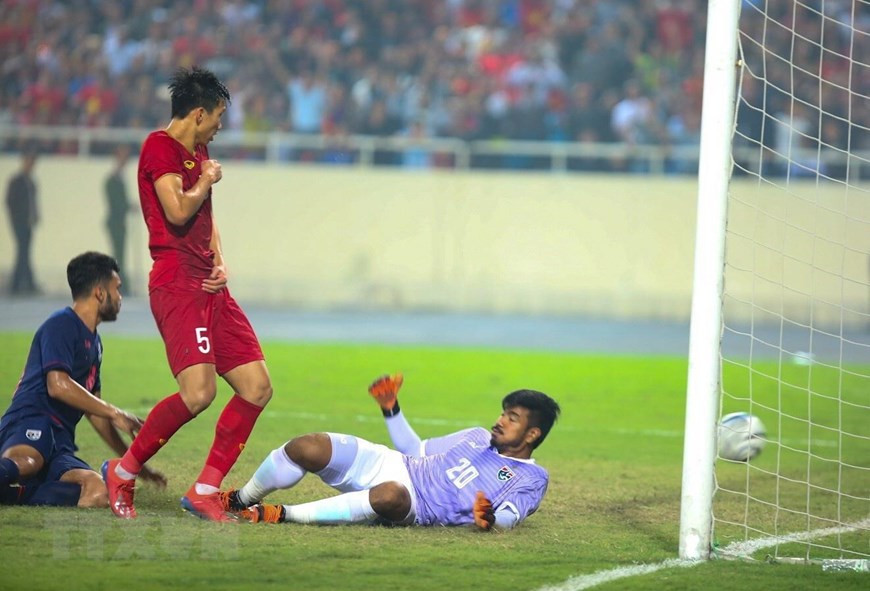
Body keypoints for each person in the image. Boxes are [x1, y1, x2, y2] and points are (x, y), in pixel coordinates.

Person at [103, 66, 273, 522]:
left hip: (209, 283)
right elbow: (178, 210)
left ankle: (204, 489)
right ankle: (123, 470)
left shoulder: (196, 150)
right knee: (198, 393)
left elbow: (205, 220)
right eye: (217, 118)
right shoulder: (159, 148)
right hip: (178, 282)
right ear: (198, 114)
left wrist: (219, 258)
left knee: (256, 388)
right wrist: (205, 181)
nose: (219, 128)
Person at [221, 374, 559, 530]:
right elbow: (415, 449)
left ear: (532, 434)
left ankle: (282, 515)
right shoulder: (475, 436)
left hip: (417, 505)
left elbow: (510, 517)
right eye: (503, 413)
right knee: (307, 446)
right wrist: (391, 408)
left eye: (511, 418)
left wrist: (489, 519)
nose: (500, 421)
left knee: (388, 495)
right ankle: (239, 498)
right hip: (396, 464)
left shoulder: (531, 477)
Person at [0, 252, 164, 508]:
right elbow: (58, 385)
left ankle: (10, 496)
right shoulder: (61, 325)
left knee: (97, 492)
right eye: (117, 289)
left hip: (60, 441)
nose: (120, 297)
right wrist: (114, 411)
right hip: (31, 420)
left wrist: (134, 465)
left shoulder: (95, 343)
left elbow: (94, 411)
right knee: (29, 463)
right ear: (100, 293)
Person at [5, 147, 40, 295]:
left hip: (28, 223)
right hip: (19, 222)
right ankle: (20, 283)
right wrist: (17, 218)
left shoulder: (31, 182)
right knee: (22, 251)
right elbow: (10, 201)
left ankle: (21, 282)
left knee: (25, 251)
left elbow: (33, 203)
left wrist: (35, 216)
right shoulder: (16, 181)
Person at [104, 144, 133, 292]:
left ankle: (119, 283)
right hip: (115, 222)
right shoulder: (113, 180)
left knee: (120, 252)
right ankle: (118, 284)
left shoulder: (119, 179)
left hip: (118, 222)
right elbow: (116, 203)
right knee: (118, 252)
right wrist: (127, 206)